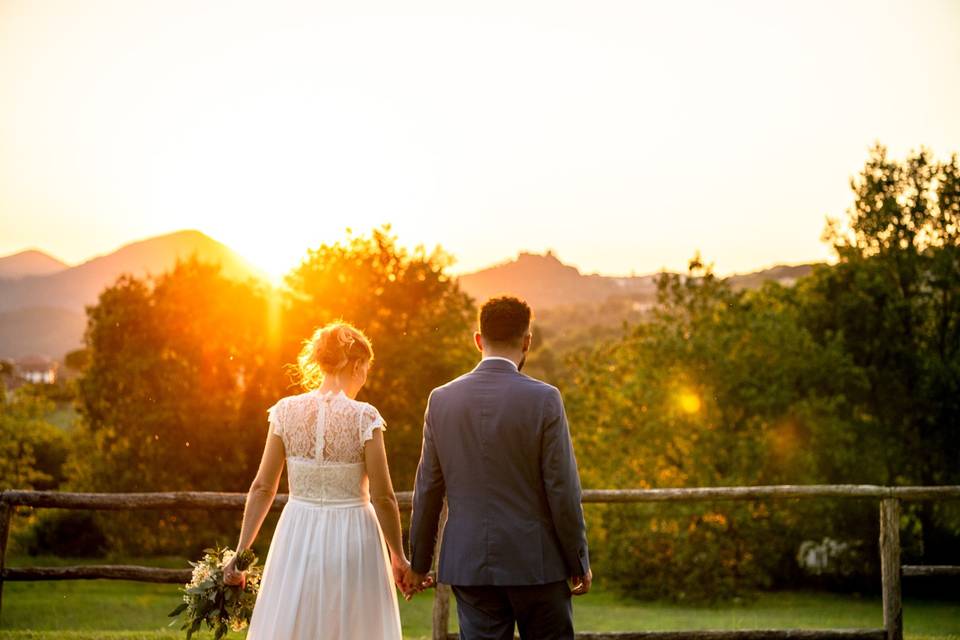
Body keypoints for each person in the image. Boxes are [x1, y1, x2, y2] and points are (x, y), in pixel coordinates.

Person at [407, 296, 592, 640]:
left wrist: (418, 563)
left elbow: (428, 488)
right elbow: (562, 490)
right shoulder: (545, 399)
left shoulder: (441, 400)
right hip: (537, 563)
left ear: (478, 339)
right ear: (527, 341)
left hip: (470, 564)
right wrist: (578, 560)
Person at [223, 322, 409, 639]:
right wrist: (399, 557)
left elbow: (262, 488)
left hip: (297, 532)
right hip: (354, 534)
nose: (365, 377)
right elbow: (384, 497)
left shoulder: (285, 411)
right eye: (366, 368)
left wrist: (240, 555)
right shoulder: (365, 417)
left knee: (297, 619)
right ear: (357, 365)